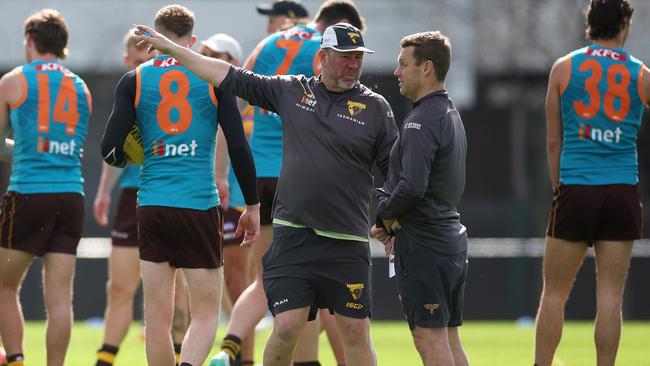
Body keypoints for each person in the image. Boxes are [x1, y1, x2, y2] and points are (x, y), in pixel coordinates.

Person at [136, 18, 397, 366]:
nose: (353, 64)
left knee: (354, 331)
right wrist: (175, 50)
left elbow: (393, 173)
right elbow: (229, 75)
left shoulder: (375, 108)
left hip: (346, 241)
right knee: (287, 326)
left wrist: (392, 219)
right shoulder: (294, 92)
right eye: (345, 56)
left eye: (358, 58)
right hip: (294, 238)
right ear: (322, 57)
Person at [101, 5, 260, 366]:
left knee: (156, 318)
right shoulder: (214, 77)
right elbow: (238, 146)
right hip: (199, 206)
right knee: (205, 312)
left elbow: (110, 151)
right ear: (192, 42)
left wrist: (141, 151)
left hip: (153, 204)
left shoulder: (134, 80)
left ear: (152, 41)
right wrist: (251, 205)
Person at [211, 2, 366, 365]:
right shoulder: (325, 53)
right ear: (339, 28)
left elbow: (234, 111)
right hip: (301, 177)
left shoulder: (267, 46)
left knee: (267, 277)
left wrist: (220, 173)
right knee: (310, 281)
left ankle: (231, 344)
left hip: (258, 178)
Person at [534, 1, 650, 365]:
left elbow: (554, 142)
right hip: (621, 192)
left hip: (575, 187)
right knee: (611, 296)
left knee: (553, 293)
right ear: (625, 24)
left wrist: (560, 188)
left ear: (589, 24)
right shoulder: (642, 74)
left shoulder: (564, 68)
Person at [93, 29, 193, 366]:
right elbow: (116, 150)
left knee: (175, 289)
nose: (143, 65)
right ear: (127, 60)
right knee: (119, 286)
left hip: (170, 190)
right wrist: (104, 192)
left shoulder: (167, 82)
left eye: (148, 57)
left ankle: (180, 357)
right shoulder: (130, 85)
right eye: (136, 60)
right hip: (131, 195)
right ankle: (105, 360)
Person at [371, 31, 469, 366]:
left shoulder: (420, 122)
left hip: (426, 245)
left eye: (403, 64)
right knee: (448, 340)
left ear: (426, 68)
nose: (397, 72)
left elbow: (413, 186)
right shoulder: (448, 114)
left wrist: (382, 214)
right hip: (448, 241)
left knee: (429, 341)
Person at [0, 9, 92, 366]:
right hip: (71, 197)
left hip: (28, 194)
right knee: (60, 300)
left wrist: (25, 150)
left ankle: (18, 360)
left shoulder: (13, 81)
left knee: (5, 287)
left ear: (29, 41)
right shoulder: (80, 86)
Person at [197, 33, 258, 366]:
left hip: (235, 201)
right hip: (206, 199)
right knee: (212, 286)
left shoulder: (242, 99)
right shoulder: (203, 95)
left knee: (238, 283)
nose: (205, 58)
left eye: (213, 54)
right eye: (203, 52)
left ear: (232, 62)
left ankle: (244, 359)